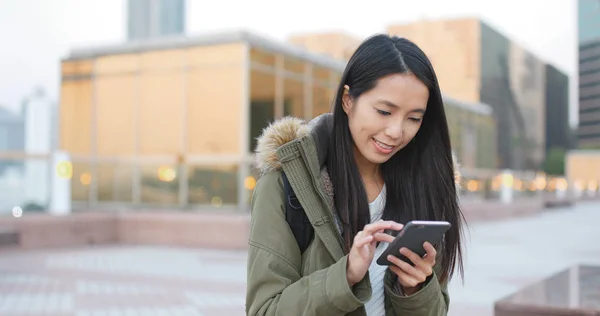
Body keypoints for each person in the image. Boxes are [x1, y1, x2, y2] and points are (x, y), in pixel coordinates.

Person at [245, 34, 465, 316]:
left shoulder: (427, 187)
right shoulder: (285, 184)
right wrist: (345, 276)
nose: (397, 131)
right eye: (384, 111)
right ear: (348, 100)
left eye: (414, 118)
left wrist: (415, 289)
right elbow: (265, 310)